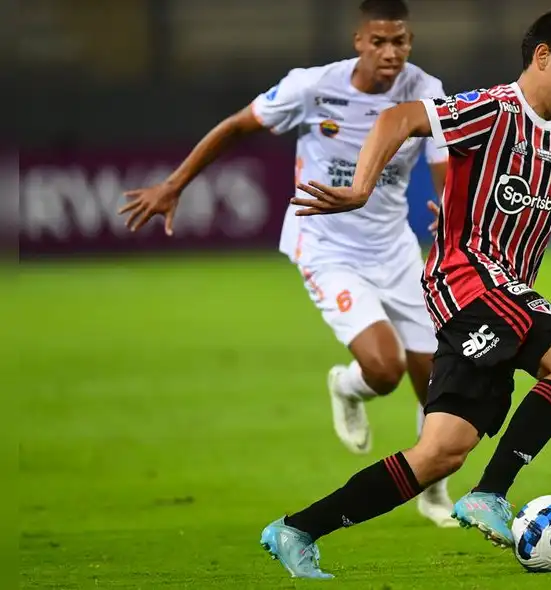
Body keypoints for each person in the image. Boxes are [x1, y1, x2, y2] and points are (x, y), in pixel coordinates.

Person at [259, 9, 551, 579]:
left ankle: (298, 529)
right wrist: (359, 188)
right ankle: (490, 494)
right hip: (467, 277)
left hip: (504, 292)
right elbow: (399, 118)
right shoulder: (493, 109)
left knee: (439, 453)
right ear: (542, 58)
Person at [116, 0, 458, 527]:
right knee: (385, 369)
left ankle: (433, 489)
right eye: (379, 41)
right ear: (358, 41)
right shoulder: (312, 87)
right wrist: (174, 184)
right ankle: (347, 386)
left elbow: (446, 167)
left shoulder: (424, 90)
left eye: (401, 41)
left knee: (434, 376)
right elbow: (235, 127)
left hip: (394, 247)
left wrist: (449, 219)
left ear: (410, 42)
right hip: (326, 247)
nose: (391, 53)